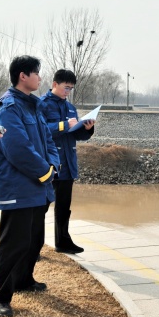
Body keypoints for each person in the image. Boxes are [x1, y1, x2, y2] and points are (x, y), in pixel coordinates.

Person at [0, 55, 59, 317]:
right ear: (23, 76)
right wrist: (45, 172)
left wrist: (53, 166)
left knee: (34, 239)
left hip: (39, 186)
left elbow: (48, 141)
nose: (40, 78)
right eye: (36, 73)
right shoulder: (8, 108)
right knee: (14, 243)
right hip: (18, 186)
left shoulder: (34, 106)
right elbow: (18, 149)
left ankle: (24, 280)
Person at [39, 69, 95, 254]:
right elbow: (40, 131)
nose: (68, 92)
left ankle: (63, 242)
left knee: (64, 207)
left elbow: (76, 135)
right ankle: (34, 247)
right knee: (40, 208)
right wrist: (64, 125)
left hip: (68, 165)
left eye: (71, 88)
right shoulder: (42, 105)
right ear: (55, 84)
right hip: (49, 164)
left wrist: (87, 129)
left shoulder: (71, 107)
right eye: (66, 87)